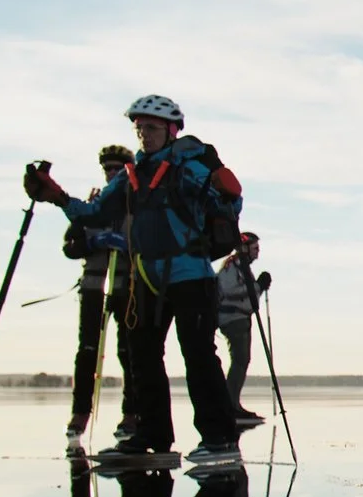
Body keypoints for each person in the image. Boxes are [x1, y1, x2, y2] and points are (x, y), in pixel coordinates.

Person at [25, 95, 247, 473]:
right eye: (139, 128)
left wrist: (226, 190)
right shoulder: (133, 174)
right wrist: (57, 196)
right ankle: (152, 437)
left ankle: (219, 440)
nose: (144, 135)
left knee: (198, 356)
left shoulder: (189, 166)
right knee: (142, 357)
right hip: (147, 279)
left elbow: (227, 205)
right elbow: (94, 212)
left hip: (191, 275)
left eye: (152, 128)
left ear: (172, 130)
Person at [64, 143, 134, 449]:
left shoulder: (136, 208)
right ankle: (80, 413)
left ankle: (131, 414)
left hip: (126, 286)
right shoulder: (92, 206)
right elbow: (70, 246)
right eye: (108, 169)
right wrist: (94, 243)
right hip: (94, 286)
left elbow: (153, 245)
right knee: (87, 350)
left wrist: (127, 245)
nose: (112, 174)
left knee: (128, 351)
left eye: (118, 169)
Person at [214, 231, 267, 431]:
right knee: (240, 360)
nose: (257, 253)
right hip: (233, 318)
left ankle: (233, 403)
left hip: (241, 318)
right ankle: (230, 405)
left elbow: (249, 296)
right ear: (245, 248)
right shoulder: (231, 266)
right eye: (255, 249)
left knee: (242, 360)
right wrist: (256, 286)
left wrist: (259, 287)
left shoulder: (242, 268)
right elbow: (230, 291)